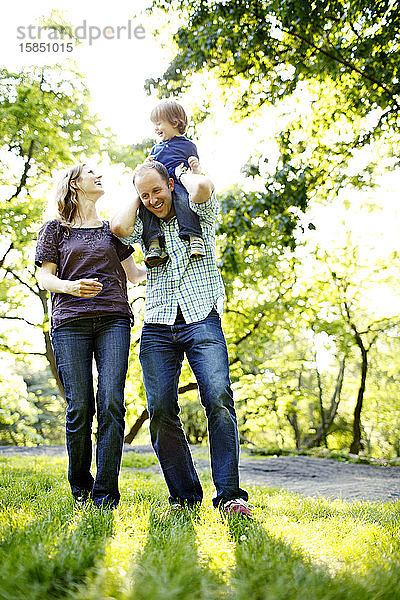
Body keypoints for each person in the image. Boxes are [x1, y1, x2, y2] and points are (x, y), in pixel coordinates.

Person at [111, 160, 251, 517]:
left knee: (218, 398)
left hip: (201, 316)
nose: (153, 199)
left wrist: (185, 172)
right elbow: (118, 227)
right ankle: (185, 496)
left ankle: (229, 496)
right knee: (159, 408)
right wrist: (137, 192)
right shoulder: (144, 223)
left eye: (157, 190)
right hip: (158, 322)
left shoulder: (198, 212)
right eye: (145, 195)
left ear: (171, 185)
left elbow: (203, 187)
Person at [35, 163, 145, 509]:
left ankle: (105, 494)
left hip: (113, 320)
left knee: (111, 403)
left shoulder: (113, 229)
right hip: (70, 323)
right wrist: (69, 287)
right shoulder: (55, 229)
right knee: (80, 407)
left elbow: (136, 275)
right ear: (74, 185)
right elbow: (45, 278)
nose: (99, 176)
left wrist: (173, 258)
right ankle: (81, 488)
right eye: (90, 173)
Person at [140, 99, 206, 267]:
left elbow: (193, 173)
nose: (156, 128)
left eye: (159, 123)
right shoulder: (156, 149)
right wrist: (147, 163)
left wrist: (195, 169)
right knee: (145, 206)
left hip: (178, 183)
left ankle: (194, 237)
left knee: (183, 199)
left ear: (175, 122)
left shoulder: (188, 145)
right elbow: (149, 171)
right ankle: (154, 244)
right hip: (160, 188)